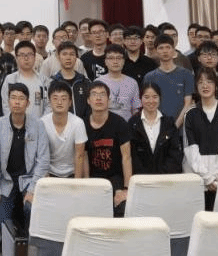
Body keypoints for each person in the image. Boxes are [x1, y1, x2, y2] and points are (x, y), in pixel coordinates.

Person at [0, 82, 50, 232]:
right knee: (1, 224)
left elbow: (43, 160)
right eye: (13, 97)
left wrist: (33, 189)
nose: (17, 102)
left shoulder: (38, 125)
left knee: (31, 210)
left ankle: (28, 238)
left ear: (28, 103)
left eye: (21, 98)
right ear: (8, 101)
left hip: (29, 180)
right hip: (6, 181)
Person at [183, 67, 218, 210]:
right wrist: (207, 178)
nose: (205, 85)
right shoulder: (190, 114)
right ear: (196, 87)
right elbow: (190, 149)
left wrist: (216, 177)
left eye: (209, 81)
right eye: (201, 82)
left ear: (216, 86)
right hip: (197, 180)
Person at [83, 82, 133, 217]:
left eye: (102, 94)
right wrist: (86, 183)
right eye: (94, 94)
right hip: (94, 178)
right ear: (88, 100)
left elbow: (126, 157)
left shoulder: (120, 123)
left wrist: (127, 188)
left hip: (115, 178)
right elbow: (83, 156)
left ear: (108, 100)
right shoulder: (82, 124)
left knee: (122, 206)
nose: (98, 98)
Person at [129, 83, 183, 175]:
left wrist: (162, 175)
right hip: (140, 178)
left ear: (160, 98)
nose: (151, 101)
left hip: (166, 178)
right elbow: (132, 155)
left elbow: (175, 153)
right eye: (146, 97)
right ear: (140, 99)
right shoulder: (133, 123)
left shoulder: (169, 123)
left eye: (155, 97)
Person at [142, 34, 194, 128]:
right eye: (161, 48)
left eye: (168, 47)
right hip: (156, 127)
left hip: (182, 128)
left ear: (173, 50)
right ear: (156, 51)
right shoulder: (149, 77)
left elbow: (188, 103)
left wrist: (175, 127)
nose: (165, 51)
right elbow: (148, 104)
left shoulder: (186, 74)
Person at [39, 81, 89, 178]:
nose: (59, 102)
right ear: (49, 101)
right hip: (49, 173)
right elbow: (41, 155)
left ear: (70, 102)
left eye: (64, 98)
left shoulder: (78, 123)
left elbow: (80, 155)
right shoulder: (42, 123)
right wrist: (46, 180)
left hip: (72, 172)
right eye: (55, 98)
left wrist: (76, 183)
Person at [1, 41, 50, 120]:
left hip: (39, 124)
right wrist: (15, 123)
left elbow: (49, 105)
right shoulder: (10, 79)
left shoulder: (44, 80)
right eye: (22, 55)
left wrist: (41, 123)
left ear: (35, 57)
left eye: (29, 54)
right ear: (16, 58)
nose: (26, 58)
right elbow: (6, 105)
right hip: (15, 124)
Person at [96, 44, 141, 119]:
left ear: (124, 61)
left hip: (127, 124)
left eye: (119, 58)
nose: (115, 62)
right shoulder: (98, 82)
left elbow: (135, 109)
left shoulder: (132, 83)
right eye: (111, 58)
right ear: (105, 61)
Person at [50, 41, 92, 118]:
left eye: (72, 54)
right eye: (64, 54)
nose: (68, 58)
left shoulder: (85, 82)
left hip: (82, 124)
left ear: (76, 58)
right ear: (58, 57)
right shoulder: (52, 82)